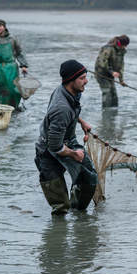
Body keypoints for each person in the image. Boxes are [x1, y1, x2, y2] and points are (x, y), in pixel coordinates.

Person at [35, 60, 98, 215]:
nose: (86, 80)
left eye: (86, 76)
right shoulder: (61, 108)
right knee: (60, 206)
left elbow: (71, 110)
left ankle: (78, 214)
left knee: (89, 177)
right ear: (71, 80)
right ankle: (59, 233)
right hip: (49, 148)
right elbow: (55, 146)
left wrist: (81, 121)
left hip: (67, 140)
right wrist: (73, 154)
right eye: (82, 78)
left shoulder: (68, 90)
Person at [94, 34, 130, 107]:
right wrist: (112, 72)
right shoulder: (108, 48)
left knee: (114, 94)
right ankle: (106, 113)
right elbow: (102, 62)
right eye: (126, 45)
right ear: (121, 43)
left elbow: (121, 66)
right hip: (102, 74)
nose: (126, 46)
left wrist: (121, 80)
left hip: (111, 75)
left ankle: (114, 114)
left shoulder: (121, 51)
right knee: (107, 93)